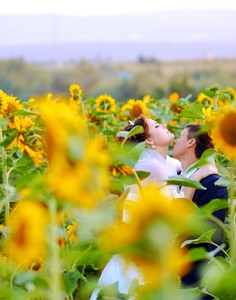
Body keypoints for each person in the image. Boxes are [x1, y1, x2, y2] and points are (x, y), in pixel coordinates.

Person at [90, 115, 183, 300]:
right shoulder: (149, 168)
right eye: (157, 125)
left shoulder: (171, 164)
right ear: (149, 140)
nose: (165, 124)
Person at [172, 124, 228, 296]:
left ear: (191, 142)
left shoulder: (213, 183)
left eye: (180, 136)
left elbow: (206, 236)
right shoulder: (176, 177)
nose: (175, 140)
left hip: (194, 283)